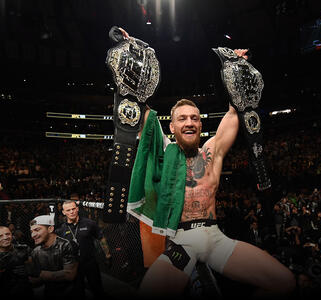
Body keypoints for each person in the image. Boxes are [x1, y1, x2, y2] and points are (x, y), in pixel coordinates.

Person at [119, 27, 295, 298]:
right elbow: (135, 107)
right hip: (180, 243)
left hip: (215, 239)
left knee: (285, 282)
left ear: (201, 125)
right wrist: (130, 52)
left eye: (194, 118)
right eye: (182, 118)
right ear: (173, 127)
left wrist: (239, 68)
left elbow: (237, 109)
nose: (189, 122)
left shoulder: (212, 151)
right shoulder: (163, 151)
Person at [56, 199, 111, 298]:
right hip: (73, 265)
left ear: (77, 209)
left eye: (73, 209)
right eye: (68, 210)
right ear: (64, 212)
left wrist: (108, 255)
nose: (71, 212)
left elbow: (101, 238)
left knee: (97, 289)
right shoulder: (61, 229)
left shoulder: (89, 223)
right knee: (77, 291)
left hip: (90, 262)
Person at [29, 215, 79, 299]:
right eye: (31, 231)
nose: (33, 235)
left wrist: (41, 275)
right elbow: (33, 280)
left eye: (37, 230)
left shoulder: (66, 245)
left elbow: (70, 275)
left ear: (50, 229)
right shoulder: (36, 251)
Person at [0, 225, 34, 297]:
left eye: (7, 234)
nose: (5, 238)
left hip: (25, 292)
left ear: (12, 235)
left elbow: (35, 271)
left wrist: (28, 269)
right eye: (0, 236)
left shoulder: (24, 249)